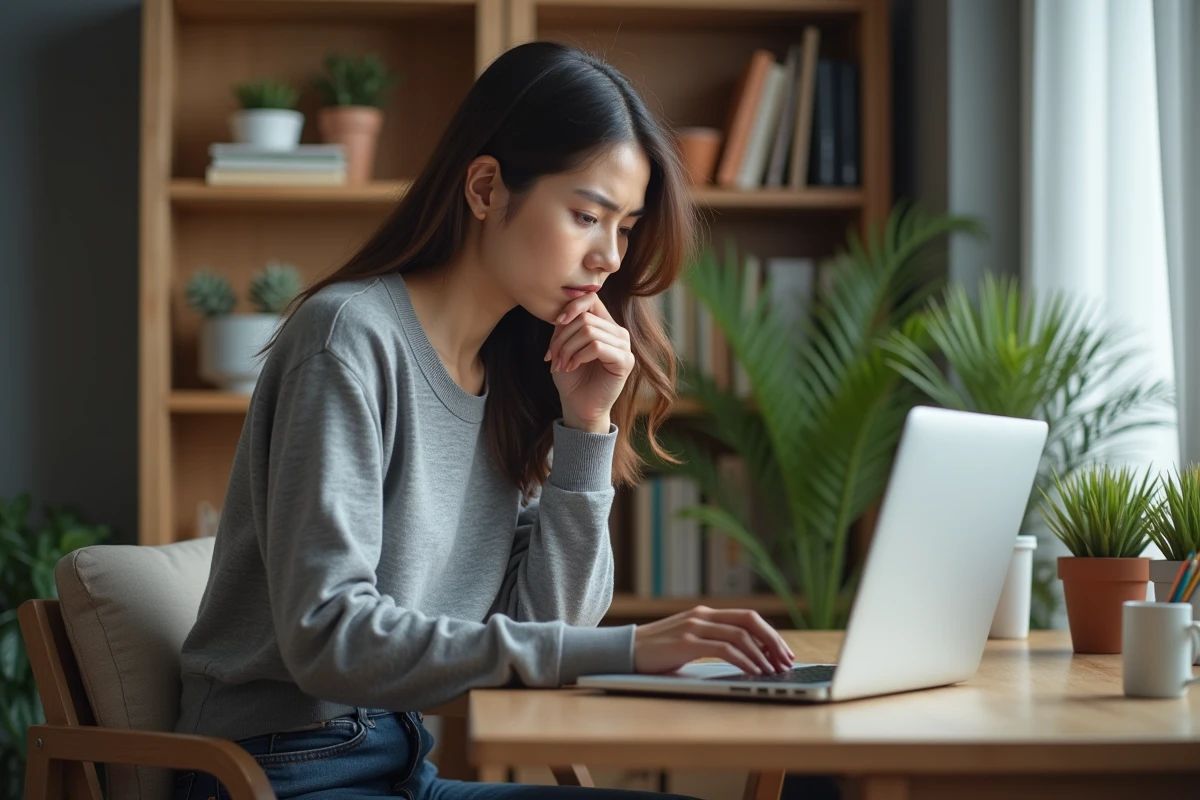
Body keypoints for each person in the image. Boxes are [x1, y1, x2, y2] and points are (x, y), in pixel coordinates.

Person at [172, 40, 796, 800]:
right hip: (278, 773)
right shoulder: (349, 340)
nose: (609, 256)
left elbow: (547, 621)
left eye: (626, 227)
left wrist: (587, 430)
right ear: (485, 187)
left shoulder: (515, 371)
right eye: (585, 215)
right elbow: (326, 636)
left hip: (399, 761)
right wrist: (627, 650)